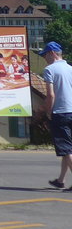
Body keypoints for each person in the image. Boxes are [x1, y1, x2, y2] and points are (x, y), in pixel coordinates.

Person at [42, 41, 72, 190]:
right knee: (68, 149)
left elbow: (51, 95)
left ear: (52, 53)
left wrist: (48, 111)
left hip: (60, 112)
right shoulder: (70, 68)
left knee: (66, 150)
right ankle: (60, 180)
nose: (44, 58)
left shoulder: (49, 70)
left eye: (45, 55)